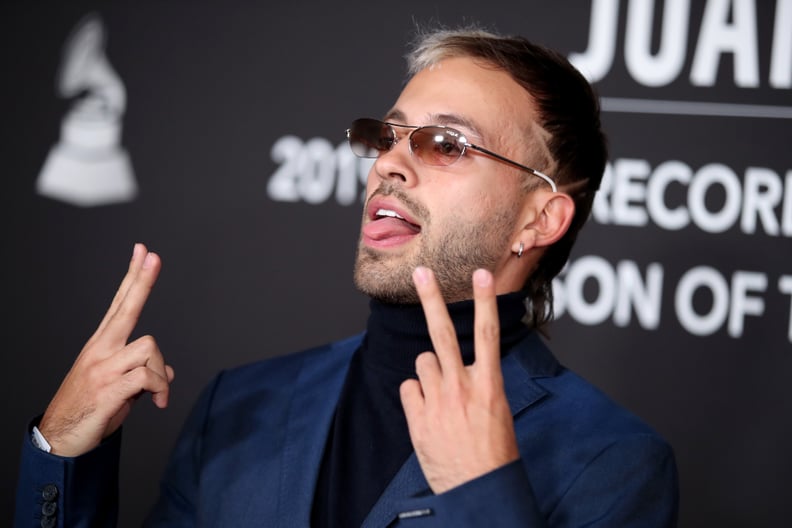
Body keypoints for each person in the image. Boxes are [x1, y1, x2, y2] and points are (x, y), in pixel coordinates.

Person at [15, 27, 678, 527]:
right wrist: (64, 455)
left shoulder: (613, 460)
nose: (389, 163)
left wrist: (484, 494)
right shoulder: (239, 406)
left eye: (445, 144)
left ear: (538, 219)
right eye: (387, 136)